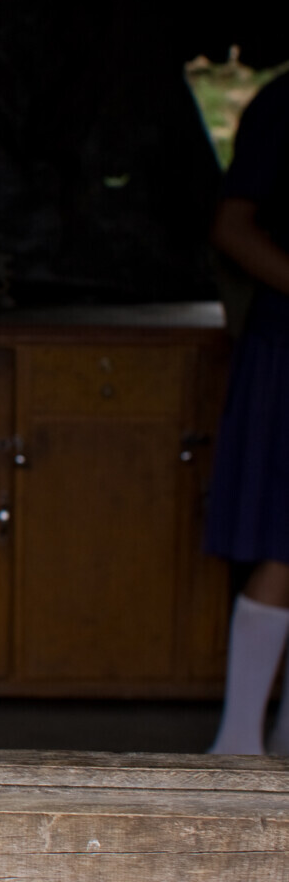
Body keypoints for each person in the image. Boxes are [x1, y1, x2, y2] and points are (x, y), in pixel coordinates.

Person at [205, 70, 289, 755]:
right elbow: (232, 227)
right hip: (286, 345)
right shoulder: (285, 103)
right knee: (282, 543)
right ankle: (237, 746)